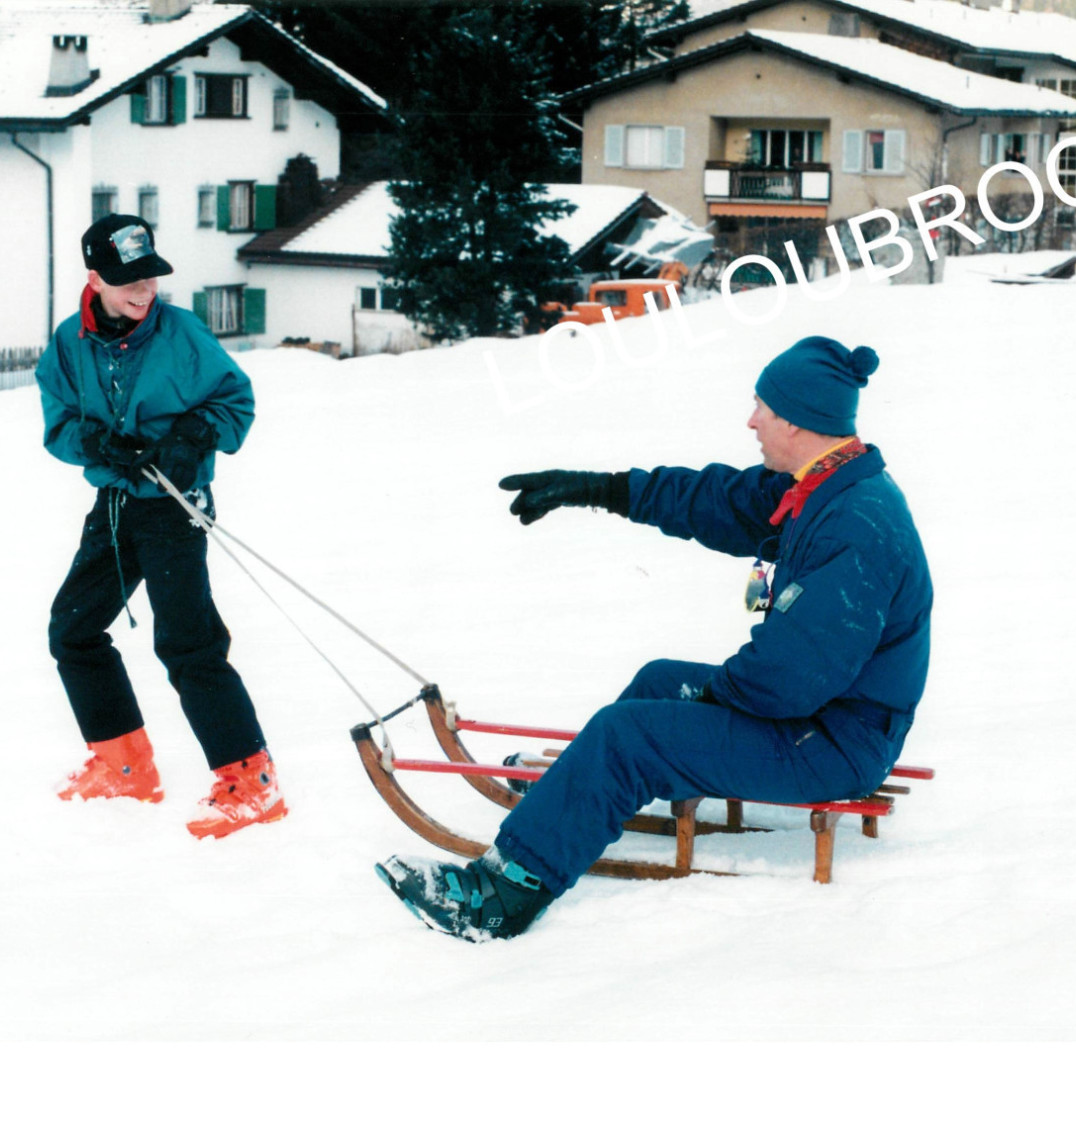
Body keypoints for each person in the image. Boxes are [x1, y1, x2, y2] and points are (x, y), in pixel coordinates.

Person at [376, 336, 931, 940]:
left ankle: (504, 893)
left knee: (630, 733)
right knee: (660, 681)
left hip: (833, 744)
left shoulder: (856, 525)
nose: (751, 420)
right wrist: (598, 489)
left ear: (798, 421)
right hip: (818, 718)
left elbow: (790, 679)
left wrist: (712, 698)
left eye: (763, 408)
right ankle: (574, 798)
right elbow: (714, 500)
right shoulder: (822, 486)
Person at [35, 213, 286, 840]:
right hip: (117, 505)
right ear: (95, 278)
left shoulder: (182, 335)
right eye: (128, 282)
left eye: (149, 277)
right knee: (73, 629)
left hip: (175, 505)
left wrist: (191, 437)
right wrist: (96, 444)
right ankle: (124, 764)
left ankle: (250, 782)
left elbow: (235, 402)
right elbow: (59, 423)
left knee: (186, 643)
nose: (144, 291)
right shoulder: (69, 344)